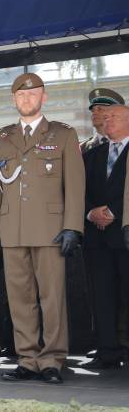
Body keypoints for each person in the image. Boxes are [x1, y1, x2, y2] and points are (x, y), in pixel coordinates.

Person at [0, 73, 85, 384]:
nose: (26, 100)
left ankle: (53, 359)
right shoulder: (1, 137)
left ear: (44, 97)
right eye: (21, 96)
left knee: (52, 298)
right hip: (12, 230)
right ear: (14, 99)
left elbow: (76, 185)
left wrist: (72, 226)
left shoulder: (64, 135)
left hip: (50, 230)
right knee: (20, 299)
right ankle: (27, 358)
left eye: (33, 94)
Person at [82, 104, 129, 369]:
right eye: (106, 116)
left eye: (114, 117)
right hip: (97, 238)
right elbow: (79, 190)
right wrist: (91, 213)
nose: (107, 120)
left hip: (124, 235)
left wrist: (114, 212)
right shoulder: (93, 154)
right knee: (102, 296)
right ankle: (107, 351)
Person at [80, 88, 124, 154]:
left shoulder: (125, 143)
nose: (94, 113)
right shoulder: (81, 148)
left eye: (100, 109)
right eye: (93, 110)